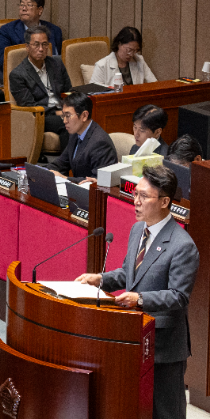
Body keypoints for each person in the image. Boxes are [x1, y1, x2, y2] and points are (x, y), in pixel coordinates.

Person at [76, 165, 199, 419]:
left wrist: (139, 299)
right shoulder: (137, 231)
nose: (136, 201)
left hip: (164, 344)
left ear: (165, 201)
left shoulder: (182, 246)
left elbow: (179, 296)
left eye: (144, 196)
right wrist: (99, 279)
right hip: (133, 336)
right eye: (136, 194)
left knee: (166, 411)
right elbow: (128, 274)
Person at [8, 25, 72, 151]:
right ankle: (69, 166)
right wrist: (59, 113)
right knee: (67, 125)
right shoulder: (18, 74)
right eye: (36, 45)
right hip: (41, 116)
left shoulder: (56, 64)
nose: (41, 49)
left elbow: (68, 90)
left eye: (44, 44)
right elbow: (29, 107)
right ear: (27, 47)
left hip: (64, 110)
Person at [46, 92, 117, 184]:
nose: (64, 121)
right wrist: (42, 171)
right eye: (63, 116)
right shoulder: (75, 134)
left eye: (68, 116)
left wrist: (65, 178)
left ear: (84, 116)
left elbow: (97, 182)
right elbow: (61, 163)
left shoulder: (100, 143)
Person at [0, 0, 63, 65]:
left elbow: (60, 61)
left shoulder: (55, 30)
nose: (24, 9)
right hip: (21, 75)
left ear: (40, 10)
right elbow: (4, 62)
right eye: (22, 5)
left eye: (29, 5)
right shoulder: (7, 30)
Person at [90, 26, 156, 87]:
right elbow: (92, 91)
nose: (131, 54)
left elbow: (154, 84)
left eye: (135, 51)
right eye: (129, 50)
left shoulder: (139, 60)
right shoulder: (102, 65)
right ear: (119, 44)